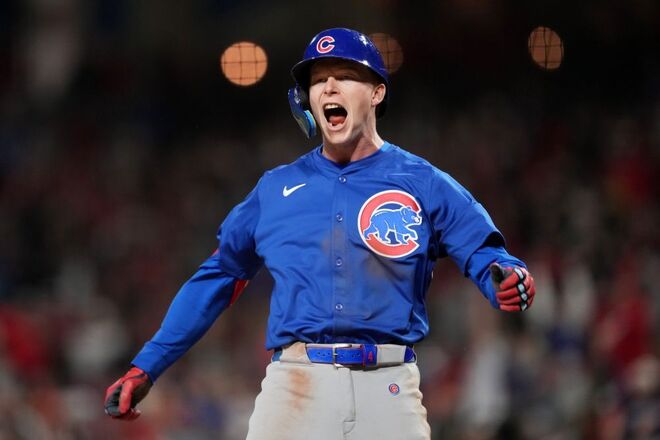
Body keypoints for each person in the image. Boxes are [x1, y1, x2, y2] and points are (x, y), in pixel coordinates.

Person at [104, 28, 536, 439]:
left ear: (377, 92)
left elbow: (484, 252)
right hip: (295, 385)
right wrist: (147, 366)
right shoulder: (275, 189)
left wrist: (504, 277)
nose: (329, 87)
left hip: (389, 385)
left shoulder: (422, 182)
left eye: (345, 76)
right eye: (317, 80)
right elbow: (218, 277)